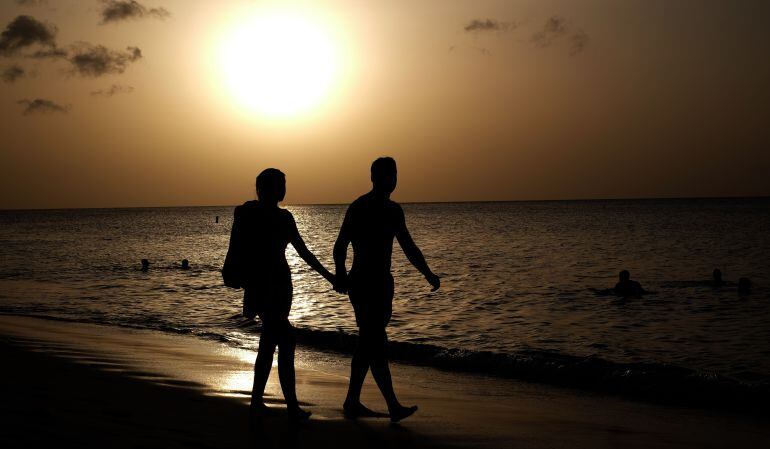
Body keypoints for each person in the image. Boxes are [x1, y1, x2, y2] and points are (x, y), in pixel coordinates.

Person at [333, 157, 440, 423]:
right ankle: (392, 405)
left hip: (382, 284)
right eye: (388, 175)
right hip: (362, 282)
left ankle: (352, 401)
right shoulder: (360, 206)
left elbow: (408, 246)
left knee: (367, 344)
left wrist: (427, 273)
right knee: (375, 342)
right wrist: (341, 274)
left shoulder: (394, 210)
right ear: (374, 177)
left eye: (394, 174)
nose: (392, 180)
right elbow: (340, 244)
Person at [227, 168, 334, 420]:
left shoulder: (273, 216)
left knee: (269, 341)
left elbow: (303, 252)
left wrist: (329, 277)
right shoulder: (250, 214)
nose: (284, 188)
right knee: (285, 338)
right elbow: (236, 247)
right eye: (281, 184)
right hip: (263, 285)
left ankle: (257, 402)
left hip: (279, 286)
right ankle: (291, 406)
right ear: (268, 187)